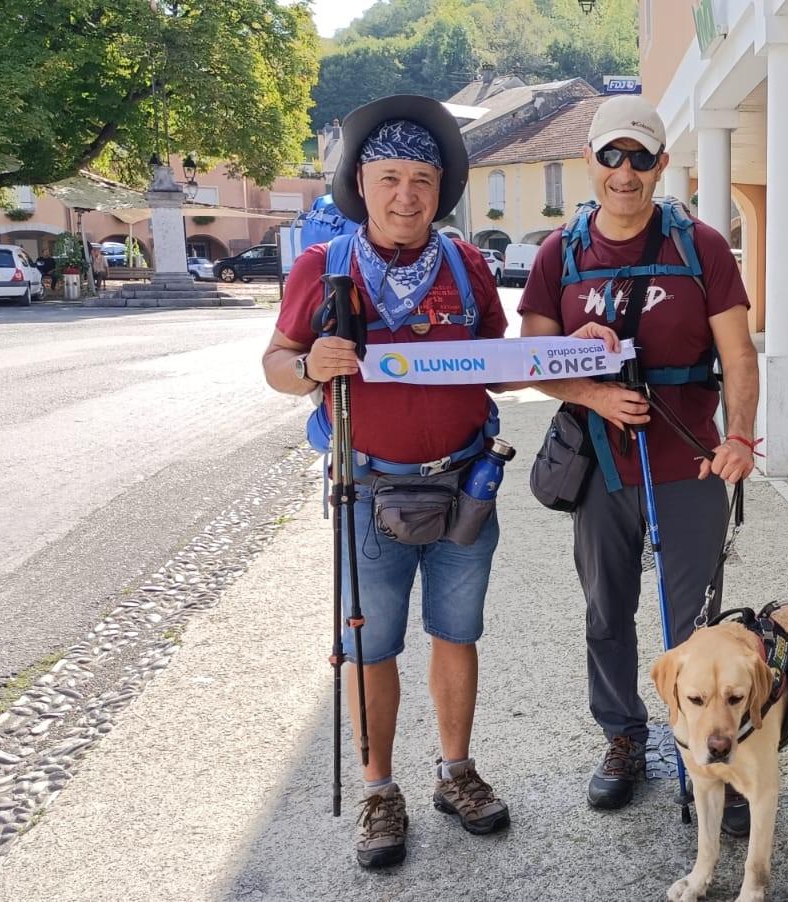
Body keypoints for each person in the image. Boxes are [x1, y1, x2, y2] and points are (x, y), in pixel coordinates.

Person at [260, 94, 512, 870]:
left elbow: (507, 365)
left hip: (464, 485)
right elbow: (275, 365)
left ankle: (455, 773)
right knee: (370, 648)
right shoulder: (322, 266)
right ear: (361, 184)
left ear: (441, 190)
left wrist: (583, 350)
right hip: (366, 492)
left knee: (457, 635)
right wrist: (307, 367)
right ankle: (378, 791)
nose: (408, 195)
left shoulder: (468, 266)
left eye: (423, 180)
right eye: (391, 177)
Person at [517, 95, 760, 826]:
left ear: (660, 165)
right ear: (591, 161)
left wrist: (740, 437)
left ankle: (717, 758)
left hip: (689, 465)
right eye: (612, 156)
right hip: (602, 467)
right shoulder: (560, 253)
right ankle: (623, 738)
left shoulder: (701, 246)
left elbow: (739, 355)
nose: (626, 172)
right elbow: (531, 358)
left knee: (702, 628)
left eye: (641, 158)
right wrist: (591, 392)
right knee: (606, 613)